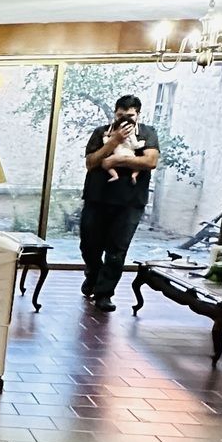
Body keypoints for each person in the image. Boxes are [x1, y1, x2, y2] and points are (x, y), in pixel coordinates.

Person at [80, 94, 161, 312]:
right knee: (88, 245)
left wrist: (118, 159)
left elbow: (151, 161)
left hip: (130, 201)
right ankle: (93, 275)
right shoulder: (101, 132)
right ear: (115, 114)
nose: (125, 119)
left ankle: (104, 293)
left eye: (130, 115)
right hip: (97, 197)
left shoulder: (147, 133)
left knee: (117, 249)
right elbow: (91, 162)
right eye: (120, 115)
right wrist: (114, 141)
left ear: (138, 115)